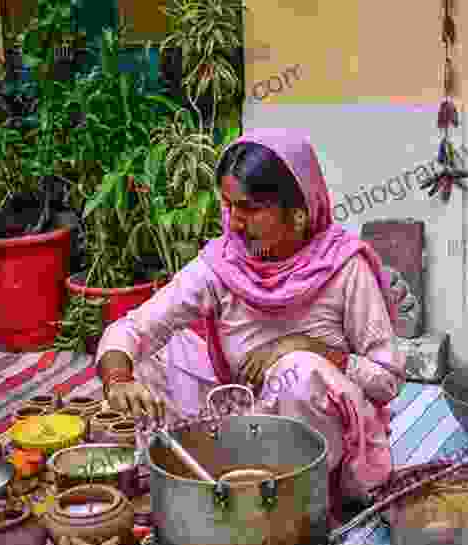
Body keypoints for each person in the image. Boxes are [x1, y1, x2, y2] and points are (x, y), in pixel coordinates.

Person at [96, 128, 411, 524]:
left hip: (325, 452)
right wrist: (119, 379)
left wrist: (309, 348)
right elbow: (134, 328)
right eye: (228, 206)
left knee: (298, 371)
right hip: (244, 426)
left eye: (249, 208)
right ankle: (192, 483)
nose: (235, 223)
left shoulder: (345, 270)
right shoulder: (223, 264)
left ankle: (299, 511)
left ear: (299, 212)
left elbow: (387, 379)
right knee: (154, 355)